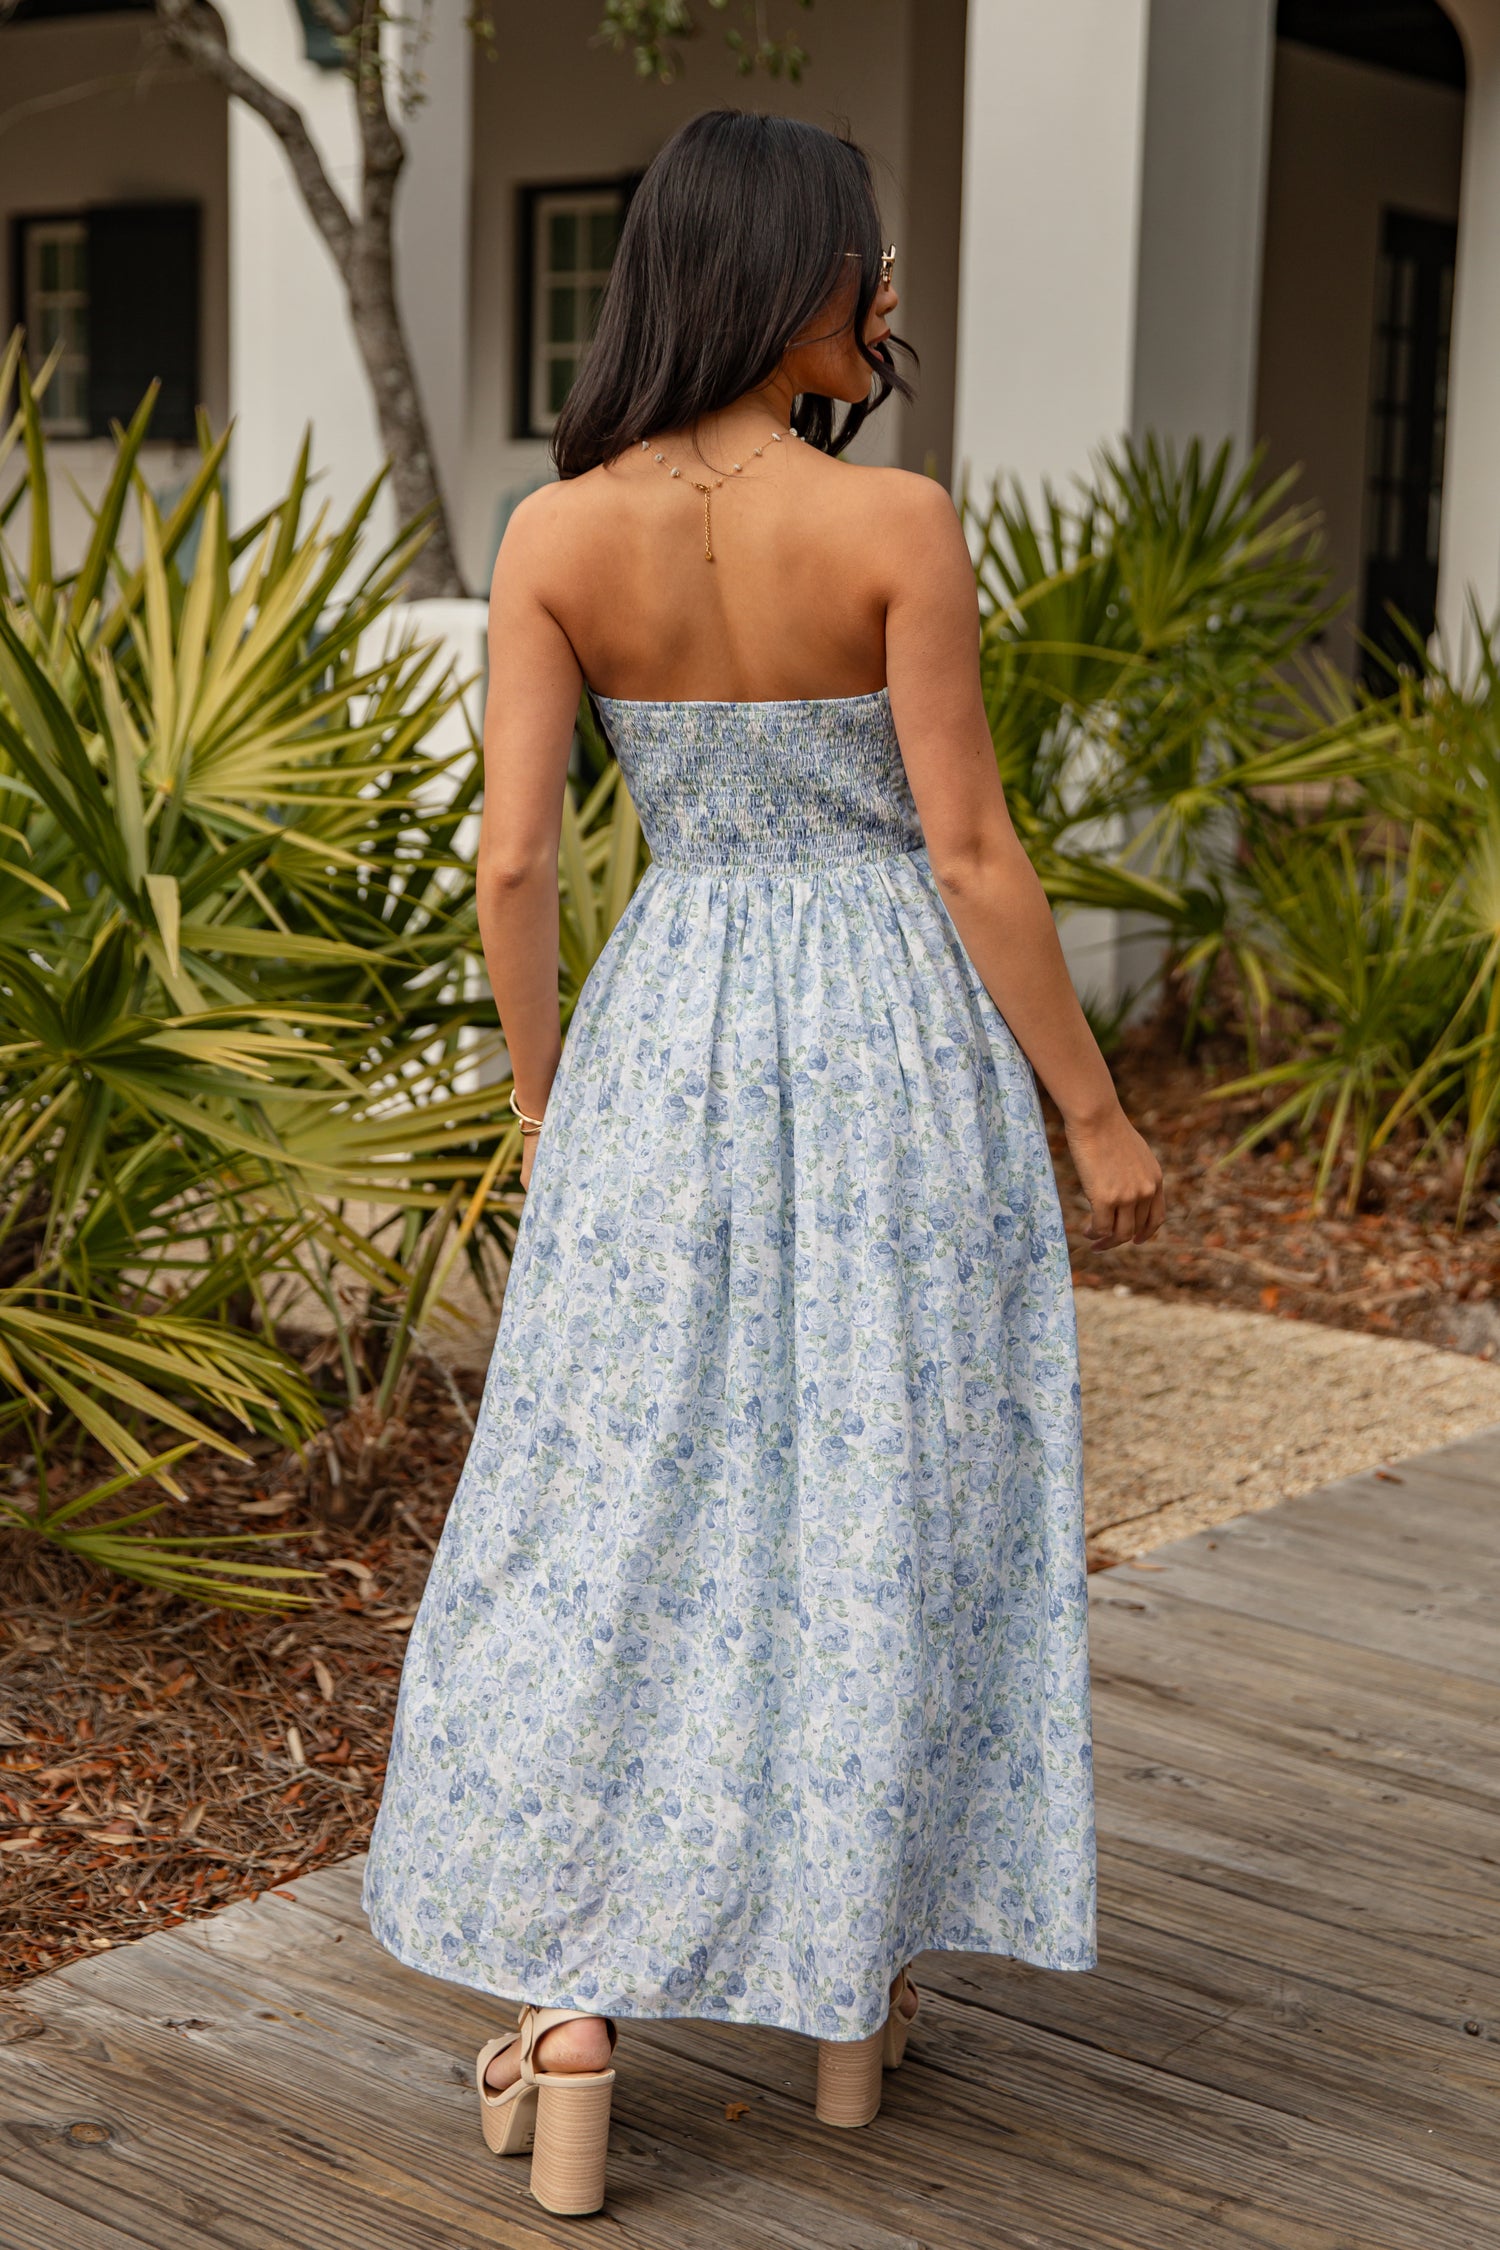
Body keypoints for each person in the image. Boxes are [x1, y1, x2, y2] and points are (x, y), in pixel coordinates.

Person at [363, 107, 1165, 2220]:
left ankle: (573, 2016)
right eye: (865, 271)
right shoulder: (896, 519)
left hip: (673, 1035)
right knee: (874, 1487)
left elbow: (517, 858)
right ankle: (842, 2007)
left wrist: (546, 1094)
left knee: (619, 1505)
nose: (884, 305)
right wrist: (1094, 1109)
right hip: (893, 1037)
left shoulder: (552, 539)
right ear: (794, 273)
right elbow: (975, 855)